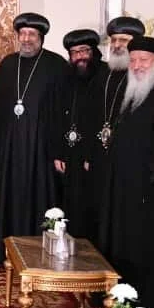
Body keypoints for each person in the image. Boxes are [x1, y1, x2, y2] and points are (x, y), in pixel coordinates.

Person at [0, 12, 69, 264]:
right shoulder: (9, 64)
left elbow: (64, 110)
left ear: (41, 37)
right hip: (9, 148)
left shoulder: (56, 65)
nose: (26, 39)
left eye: (31, 34)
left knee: (40, 197)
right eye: (22, 34)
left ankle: (39, 256)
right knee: (8, 199)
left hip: (41, 150)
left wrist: (59, 150)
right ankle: (6, 254)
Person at [95, 36, 154, 295]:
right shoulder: (131, 91)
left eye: (144, 60)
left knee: (139, 245)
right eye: (134, 60)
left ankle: (136, 298)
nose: (137, 66)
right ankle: (119, 292)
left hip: (144, 187)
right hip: (122, 182)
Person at [83, 17, 142, 239]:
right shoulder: (103, 74)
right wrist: (89, 153)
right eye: (114, 40)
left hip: (125, 158)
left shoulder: (140, 76)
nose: (117, 45)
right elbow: (90, 116)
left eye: (123, 40)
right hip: (99, 154)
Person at [53, 28, 103, 240]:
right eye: (75, 52)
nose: (80, 56)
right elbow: (55, 117)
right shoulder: (65, 78)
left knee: (91, 211)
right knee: (68, 206)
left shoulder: (104, 76)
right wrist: (57, 152)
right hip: (68, 156)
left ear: (93, 52)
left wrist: (92, 156)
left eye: (84, 51)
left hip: (92, 158)